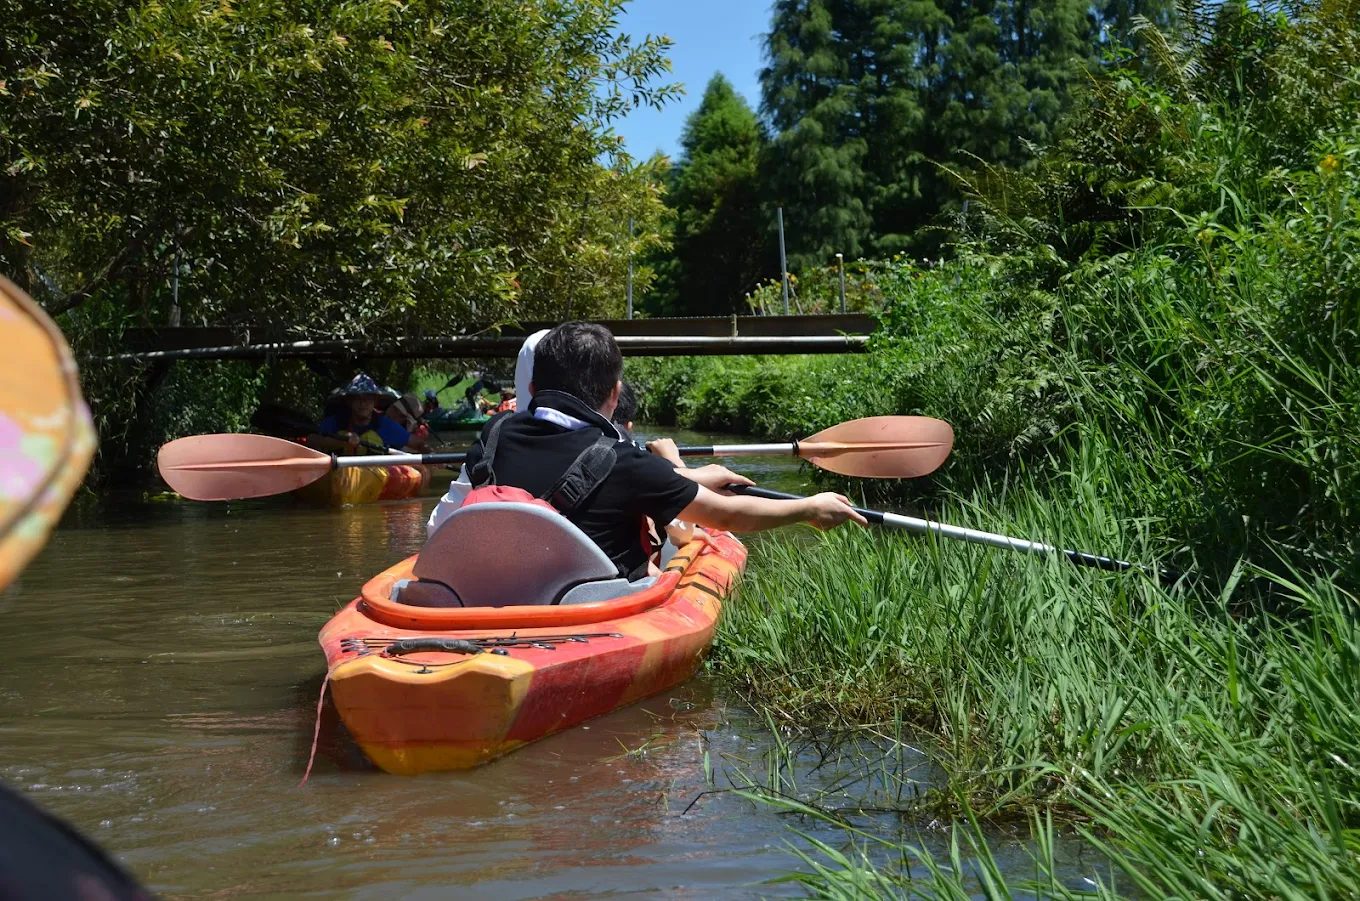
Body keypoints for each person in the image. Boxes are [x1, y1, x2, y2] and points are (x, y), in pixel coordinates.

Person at [456, 322, 865, 578]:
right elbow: (727, 514)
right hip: (588, 609)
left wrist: (685, 477)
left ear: (531, 389)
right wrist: (809, 508)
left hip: (493, 593)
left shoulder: (493, 436)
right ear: (615, 394)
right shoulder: (621, 461)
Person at [316, 373, 410, 452]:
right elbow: (312, 440)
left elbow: (417, 442)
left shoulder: (385, 425)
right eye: (357, 398)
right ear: (349, 401)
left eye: (368, 398)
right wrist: (341, 441)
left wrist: (424, 446)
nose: (363, 403)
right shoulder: (337, 421)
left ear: (375, 401)